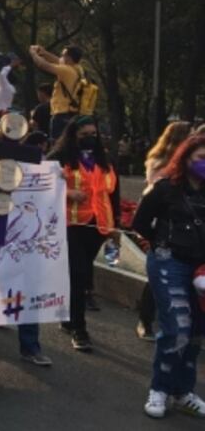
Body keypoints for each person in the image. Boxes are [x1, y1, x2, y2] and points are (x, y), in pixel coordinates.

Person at [133, 133, 205, 418]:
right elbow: (140, 222)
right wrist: (160, 244)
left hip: (201, 271)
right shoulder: (164, 189)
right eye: (200, 158)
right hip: (169, 263)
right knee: (176, 328)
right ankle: (160, 389)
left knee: (197, 333)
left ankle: (183, 391)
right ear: (185, 158)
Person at [48, 116, 119, 352]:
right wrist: (67, 193)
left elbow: (112, 194)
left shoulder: (103, 159)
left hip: (98, 225)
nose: (90, 137)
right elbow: (42, 183)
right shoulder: (59, 158)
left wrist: (115, 227)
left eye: (93, 133)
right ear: (73, 135)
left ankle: (69, 316)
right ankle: (79, 329)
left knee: (81, 273)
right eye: (84, 133)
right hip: (70, 224)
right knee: (78, 275)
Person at [136, 121, 193, 339]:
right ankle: (145, 319)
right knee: (156, 277)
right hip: (162, 224)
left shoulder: (191, 164)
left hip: (186, 226)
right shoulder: (160, 163)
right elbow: (156, 193)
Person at [28, 44, 85, 139]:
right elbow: (58, 61)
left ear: (69, 58)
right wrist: (44, 53)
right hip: (71, 113)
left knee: (56, 143)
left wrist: (33, 54)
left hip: (61, 114)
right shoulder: (78, 69)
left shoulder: (66, 70)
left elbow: (43, 65)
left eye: (63, 55)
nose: (61, 57)